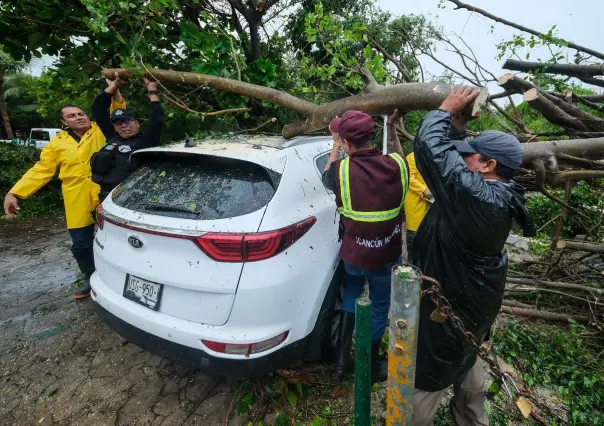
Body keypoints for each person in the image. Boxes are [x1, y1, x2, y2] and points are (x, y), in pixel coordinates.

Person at [411, 87, 536, 426]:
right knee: (468, 357)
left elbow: (430, 149)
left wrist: (442, 111)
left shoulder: (477, 198)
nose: (462, 157)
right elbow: (453, 155)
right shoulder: (496, 194)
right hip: (474, 303)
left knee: (430, 370)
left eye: (472, 156)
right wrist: (458, 123)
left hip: (450, 305)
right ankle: (470, 419)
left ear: (489, 165)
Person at [3, 92, 126, 300]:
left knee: (119, 237)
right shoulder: (57, 144)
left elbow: (117, 113)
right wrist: (14, 192)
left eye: (81, 113)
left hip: (106, 191)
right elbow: (42, 170)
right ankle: (90, 275)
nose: (78, 117)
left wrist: (115, 92)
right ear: (63, 122)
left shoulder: (102, 129)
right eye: (71, 116)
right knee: (81, 243)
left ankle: (124, 276)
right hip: (76, 195)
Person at [322, 110, 409, 383]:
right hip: (386, 252)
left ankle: (342, 360)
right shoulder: (398, 165)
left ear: (347, 143)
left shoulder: (340, 170)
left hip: (355, 253)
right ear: (373, 136)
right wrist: (392, 127)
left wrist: (335, 146)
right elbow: (401, 156)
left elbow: (326, 177)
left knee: (353, 291)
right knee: (381, 302)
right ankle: (369, 363)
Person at [90, 74, 164, 201]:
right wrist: (114, 86)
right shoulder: (112, 137)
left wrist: (152, 89)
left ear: (137, 123)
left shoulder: (147, 141)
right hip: (106, 196)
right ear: (114, 126)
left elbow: (157, 119)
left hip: (134, 197)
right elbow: (98, 109)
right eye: (118, 123)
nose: (123, 126)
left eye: (128, 121)